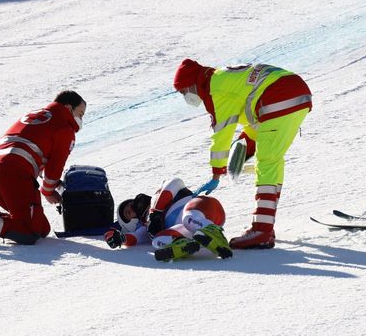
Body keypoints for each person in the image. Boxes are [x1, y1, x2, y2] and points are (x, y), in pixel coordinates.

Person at [173, 59, 312, 249]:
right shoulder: (220, 78)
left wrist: (217, 172)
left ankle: (261, 230)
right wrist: (245, 145)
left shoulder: (215, 90)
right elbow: (252, 108)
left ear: (192, 84)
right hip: (294, 93)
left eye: (184, 91)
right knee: (272, 162)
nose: (185, 96)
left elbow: (222, 132)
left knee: (267, 163)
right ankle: (265, 226)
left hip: (279, 97)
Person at [0, 90, 86, 247]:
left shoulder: (35, 115)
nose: (80, 120)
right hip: (14, 176)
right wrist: (48, 191)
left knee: (42, 227)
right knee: (30, 231)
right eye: (80, 114)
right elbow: (55, 168)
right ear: (68, 108)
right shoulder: (64, 128)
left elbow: (30, 149)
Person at [103, 177, 231, 261]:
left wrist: (155, 213)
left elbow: (175, 182)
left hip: (204, 207)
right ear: (131, 223)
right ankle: (189, 244)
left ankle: (213, 234)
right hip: (192, 229)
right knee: (157, 241)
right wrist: (120, 238)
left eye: (130, 203)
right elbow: (134, 238)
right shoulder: (147, 228)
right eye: (127, 212)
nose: (131, 206)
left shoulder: (157, 197)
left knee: (188, 219)